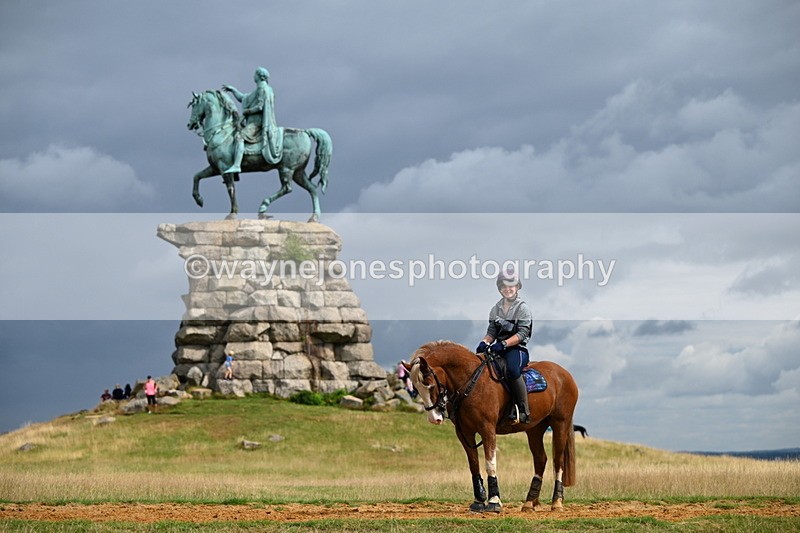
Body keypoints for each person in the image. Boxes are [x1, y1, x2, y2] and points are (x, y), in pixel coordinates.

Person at [476, 267, 533, 424]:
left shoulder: (523, 308)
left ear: (517, 287)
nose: (507, 289)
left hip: (517, 350)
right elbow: (491, 332)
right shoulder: (495, 309)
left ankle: (523, 410)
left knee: (513, 370)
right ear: (500, 288)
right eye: (504, 286)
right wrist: (484, 342)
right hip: (499, 349)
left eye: (511, 286)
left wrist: (504, 344)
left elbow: (522, 334)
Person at [222, 66, 284, 173]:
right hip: (255, 122)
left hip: (257, 123)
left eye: (255, 74)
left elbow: (260, 107)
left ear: (259, 76)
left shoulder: (262, 89)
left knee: (239, 137)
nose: (253, 76)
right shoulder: (265, 89)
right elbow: (243, 98)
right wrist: (233, 90)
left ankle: (237, 165)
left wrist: (247, 111)